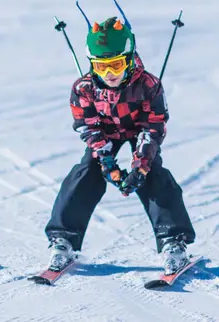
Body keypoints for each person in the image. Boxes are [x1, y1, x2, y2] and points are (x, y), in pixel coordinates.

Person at [44, 16, 196, 275]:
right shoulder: (84, 88)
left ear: (129, 58)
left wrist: (141, 165)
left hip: (139, 130)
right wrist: (107, 163)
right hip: (105, 132)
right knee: (86, 171)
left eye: (116, 65)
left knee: (153, 175)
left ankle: (173, 240)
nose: (110, 74)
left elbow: (154, 126)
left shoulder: (148, 85)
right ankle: (64, 239)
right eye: (102, 67)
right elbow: (87, 126)